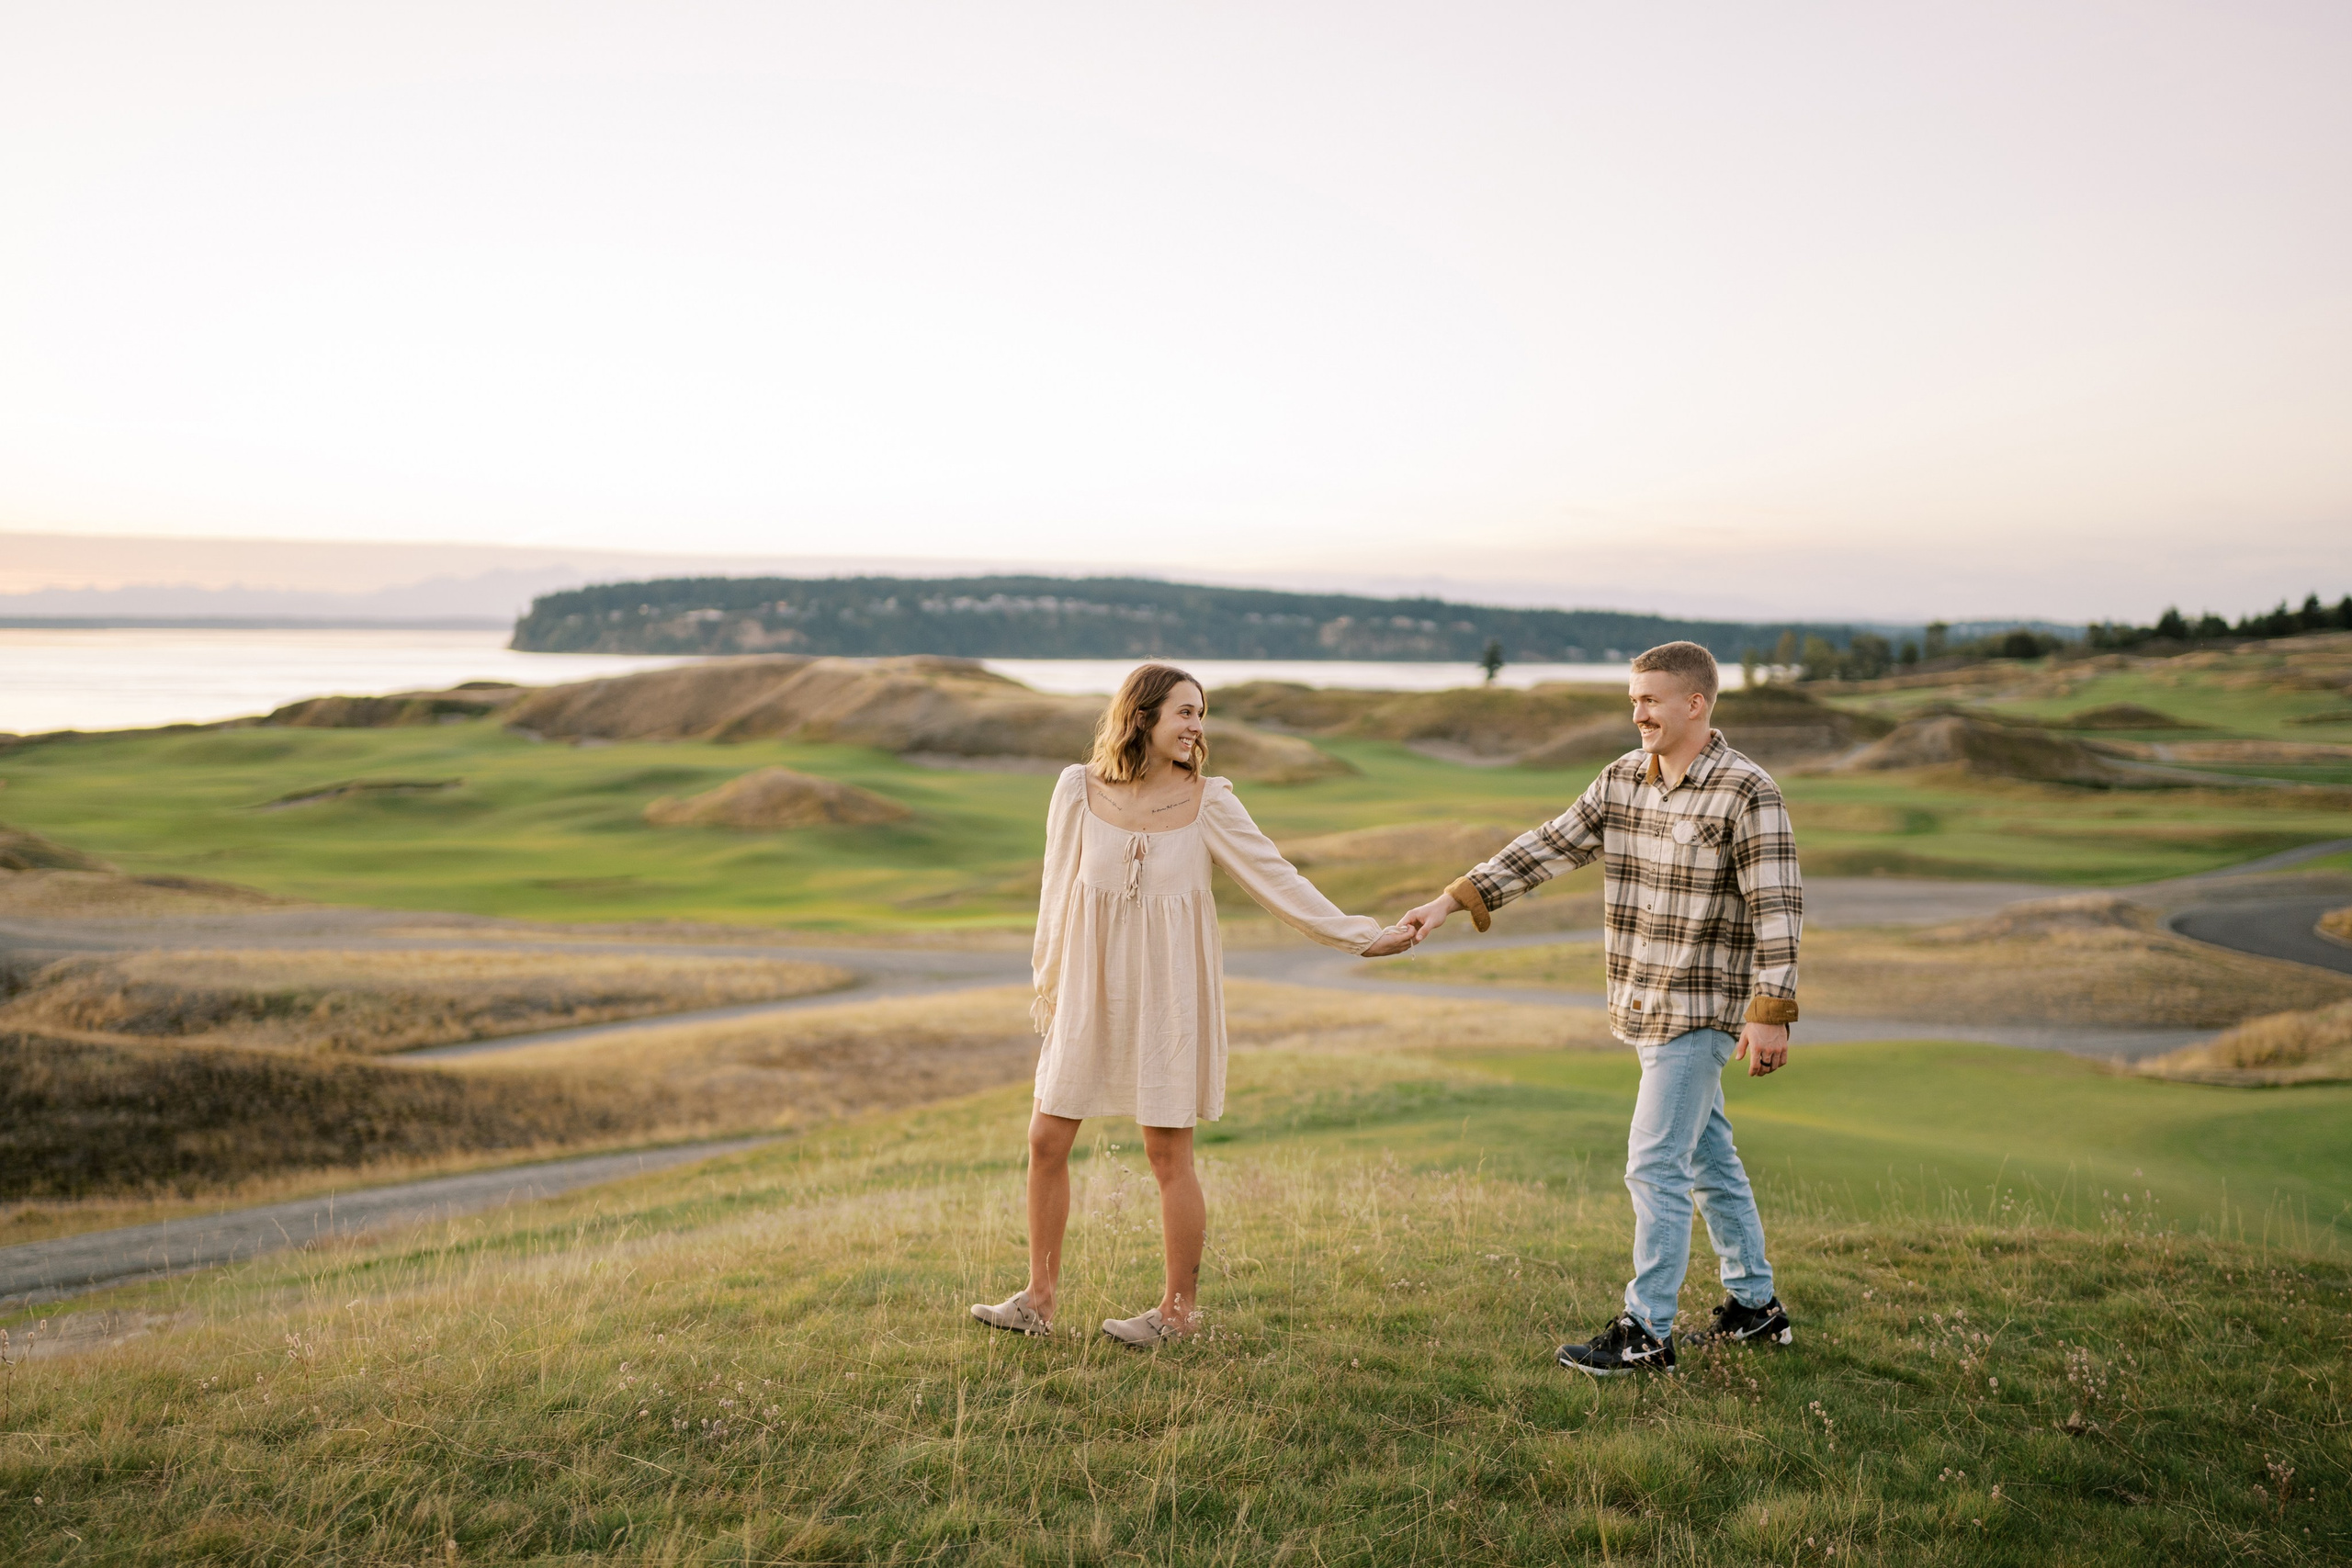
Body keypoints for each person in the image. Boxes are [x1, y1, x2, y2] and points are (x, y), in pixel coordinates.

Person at [971, 663, 1415, 1347]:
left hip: (1170, 996)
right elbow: (1054, 896)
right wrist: (1050, 988)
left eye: (1202, 714)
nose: (1197, 726)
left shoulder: (1210, 802)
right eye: (1186, 712)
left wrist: (1364, 937)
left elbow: (1278, 880)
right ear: (1142, 715)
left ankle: (1178, 1313)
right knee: (1045, 1139)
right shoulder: (1076, 790)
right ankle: (1038, 1298)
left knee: (1167, 1153)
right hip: (1089, 992)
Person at [1392, 640, 1801, 1375]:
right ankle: (1754, 1308)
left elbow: (1778, 907)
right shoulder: (1621, 779)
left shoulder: (1747, 790)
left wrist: (1769, 1010)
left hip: (1701, 1008)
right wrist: (1454, 899)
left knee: (1653, 1164)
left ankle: (1646, 1331)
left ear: (1694, 703)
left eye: (1650, 699)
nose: (1637, 711)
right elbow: (1549, 845)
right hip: (1643, 1001)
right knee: (1708, 1156)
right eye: (1634, 698)